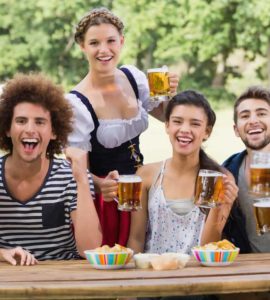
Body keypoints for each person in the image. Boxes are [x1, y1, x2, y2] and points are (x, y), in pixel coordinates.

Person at [66, 7, 179, 247]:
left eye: (111, 41)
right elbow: (76, 167)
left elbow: (165, 116)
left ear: (122, 42)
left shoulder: (133, 77)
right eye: (94, 43)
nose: (104, 50)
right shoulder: (77, 103)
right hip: (107, 202)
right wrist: (101, 184)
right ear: (82, 47)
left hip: (143, 193)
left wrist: (169, 95)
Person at [103, 90, 238, 254]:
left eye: (195, 124)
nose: (185, 129)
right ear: (167, 125)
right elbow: (136, 238)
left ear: (207, 132)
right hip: (154, 273)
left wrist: (221, 206)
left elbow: (209, 248)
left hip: (199, 274)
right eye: (177, 121)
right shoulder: (146, 175)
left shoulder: (219, 179)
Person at [0, 73, 102, 262]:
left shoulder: (70, 175)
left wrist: (81, 179)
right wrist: (1, 254)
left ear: (54, 131)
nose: (30, 129)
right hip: (8, 282)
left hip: (62, 280)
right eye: (21, 121)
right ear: (7, 128)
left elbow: (91, 248)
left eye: (40, 122)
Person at [222, 86, 270, 253]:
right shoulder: (227, 172)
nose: (253, 120)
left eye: (261, 113)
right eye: (245, 116)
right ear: (236, 129)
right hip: (248, 272)